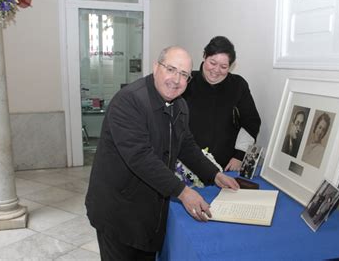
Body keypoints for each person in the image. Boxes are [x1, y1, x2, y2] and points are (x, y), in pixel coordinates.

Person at [85, 46, 240, 260]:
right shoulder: (128, 101)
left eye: (184, 74)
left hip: (148, 211)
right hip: (118, 212)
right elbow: (140, 157)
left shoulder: (180, 105)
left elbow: (186, 145)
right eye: (171, 69)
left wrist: (214, 174)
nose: (176, 80)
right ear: (156, 67)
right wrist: (183, 192)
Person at [182, 36, 261, 172]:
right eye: (212, 63)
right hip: (188, 164)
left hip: (226, 166)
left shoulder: (238, 86)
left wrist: (239, 156)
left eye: (224, 66)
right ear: (204, 56)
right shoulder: (187, 82)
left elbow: (250, 122)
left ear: (230, 66)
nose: (216, 70)